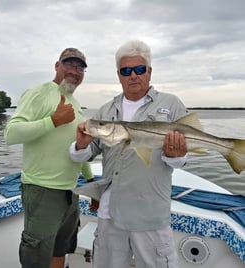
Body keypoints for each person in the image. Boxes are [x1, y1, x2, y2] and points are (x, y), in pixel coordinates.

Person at [69, 40, 190, 268]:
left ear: (150, 72)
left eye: (139, 69)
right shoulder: (106, 111)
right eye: (126, 71)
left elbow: (181, 161)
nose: (133, 75)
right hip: (109, 212)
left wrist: (175, 155)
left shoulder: (171, 105)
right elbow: (82, 156)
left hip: (150, 214)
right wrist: (81, 145)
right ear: (119, 75)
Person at [4, 47, 95, 268]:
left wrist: (91, 183)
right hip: (41, 191)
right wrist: (52, 121)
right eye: (69, 64)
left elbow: (77, 149)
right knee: (36, 258)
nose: (75, 71)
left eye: (80, 67)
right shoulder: (38, 93)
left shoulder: (75, 103)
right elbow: (11, 134)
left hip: (70, 193)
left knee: (60, 250)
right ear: (57, 66)